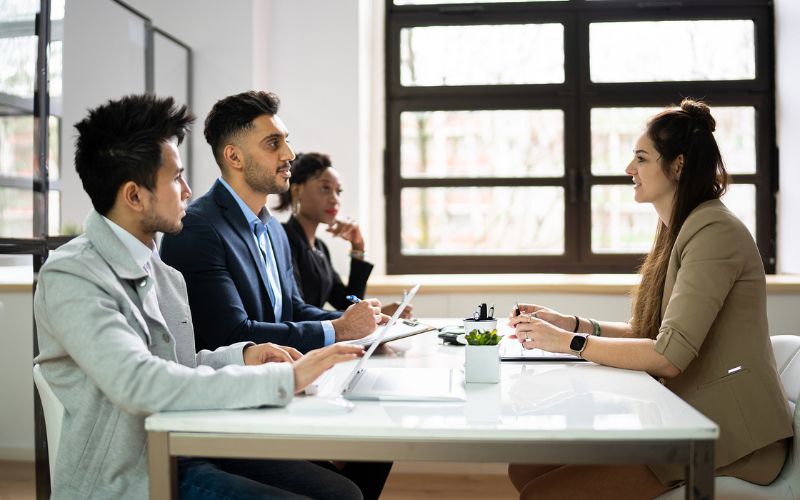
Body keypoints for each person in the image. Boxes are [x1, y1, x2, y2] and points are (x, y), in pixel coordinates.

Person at [33, 94, 367, 499]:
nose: (189, 190)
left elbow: (181, 364)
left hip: (187, 446)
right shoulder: (72, 275)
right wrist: (284, 378)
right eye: (176, 178)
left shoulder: (164, 275)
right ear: (134, 196)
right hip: (133, 475)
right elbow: (141, 382)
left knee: (344, 493)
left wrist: (245, 355)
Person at [506, 99, 793, 499]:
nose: (629, 170)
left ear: (677, 165)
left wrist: (571, 344)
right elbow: (653, 335)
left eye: (641, 158)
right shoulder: (680, 228)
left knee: (541, 493)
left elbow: (667, 356)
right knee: (525, 468)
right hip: (684, 418)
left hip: (731, 440)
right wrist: (571, 325)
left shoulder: (714, 231)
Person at [160, 90, 392, 499]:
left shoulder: (271, 228)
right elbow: (231, 332)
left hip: (283, 392)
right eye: (274, 143)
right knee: (350, 483)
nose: (289, 152)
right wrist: (337, 329)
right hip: (233, 411)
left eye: (286, 139)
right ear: (234, 157)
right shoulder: (199, 227)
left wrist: (358, 326)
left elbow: (293, 306)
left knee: (380, 441)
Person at [275, 152, 413, 317]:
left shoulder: (319, 248)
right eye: (325, 188)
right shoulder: (282, 238)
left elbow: (346, 303)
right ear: (296, 190)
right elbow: (297, 311)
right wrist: (374, 314)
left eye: (338, 191)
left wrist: (358, 247)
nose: (335, 199)